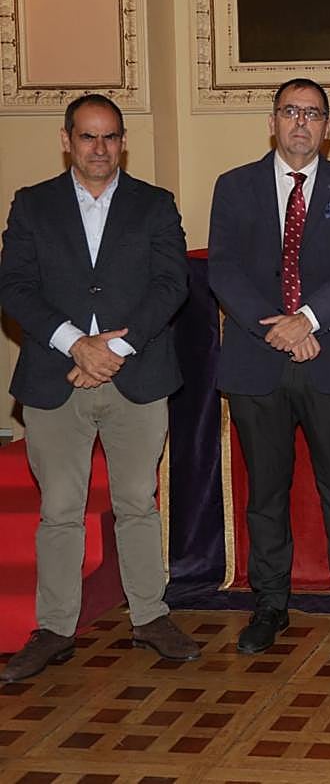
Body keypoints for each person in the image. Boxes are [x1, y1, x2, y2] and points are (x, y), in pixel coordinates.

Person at [0, 94, 199, 681]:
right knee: (59, 508)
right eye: (88, 137)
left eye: (110, 137)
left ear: (122, 143)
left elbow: (172, 284)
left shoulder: (155, 205)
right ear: (67, 140)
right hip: (53, 377)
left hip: (136, 374)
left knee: (138, 501)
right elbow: (14, 287)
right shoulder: (32, 205)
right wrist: (74, 343)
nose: (100, 148)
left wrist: (112, 349)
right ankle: (56, 626)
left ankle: (150, 616)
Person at [209, 78, 330, 654]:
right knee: (266, 491)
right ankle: (269, 602)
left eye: (313, 114)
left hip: (329, 357)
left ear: (328, 127)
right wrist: (280, 329)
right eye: (290, 112)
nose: (301, 123)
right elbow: (224, 272)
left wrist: (307, 320)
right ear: (273, 121)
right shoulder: (233, 187)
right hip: (257, 361)